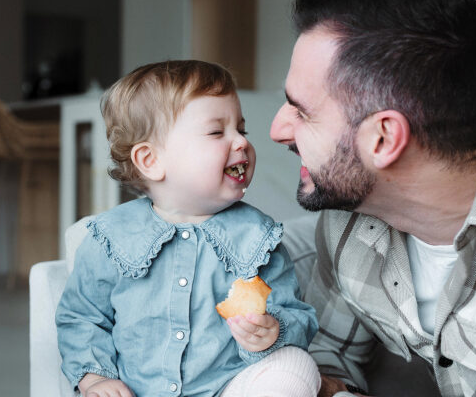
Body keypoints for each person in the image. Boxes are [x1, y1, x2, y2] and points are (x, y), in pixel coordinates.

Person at [270, 0, 476, 396]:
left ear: (384, 138)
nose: (277, 130)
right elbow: (330, 355)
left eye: (301, 112)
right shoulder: (345, 220)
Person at [55, 60, 320, 397]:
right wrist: (96, 379)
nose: (240, 142)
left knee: (296, 367)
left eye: (242, 129)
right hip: (135, 391)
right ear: (151, 161)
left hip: (229, 388)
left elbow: (297, 314)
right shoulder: (110, 238)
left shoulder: (258, 238)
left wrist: (274, 330)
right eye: (216, 132)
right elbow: (82, 318)